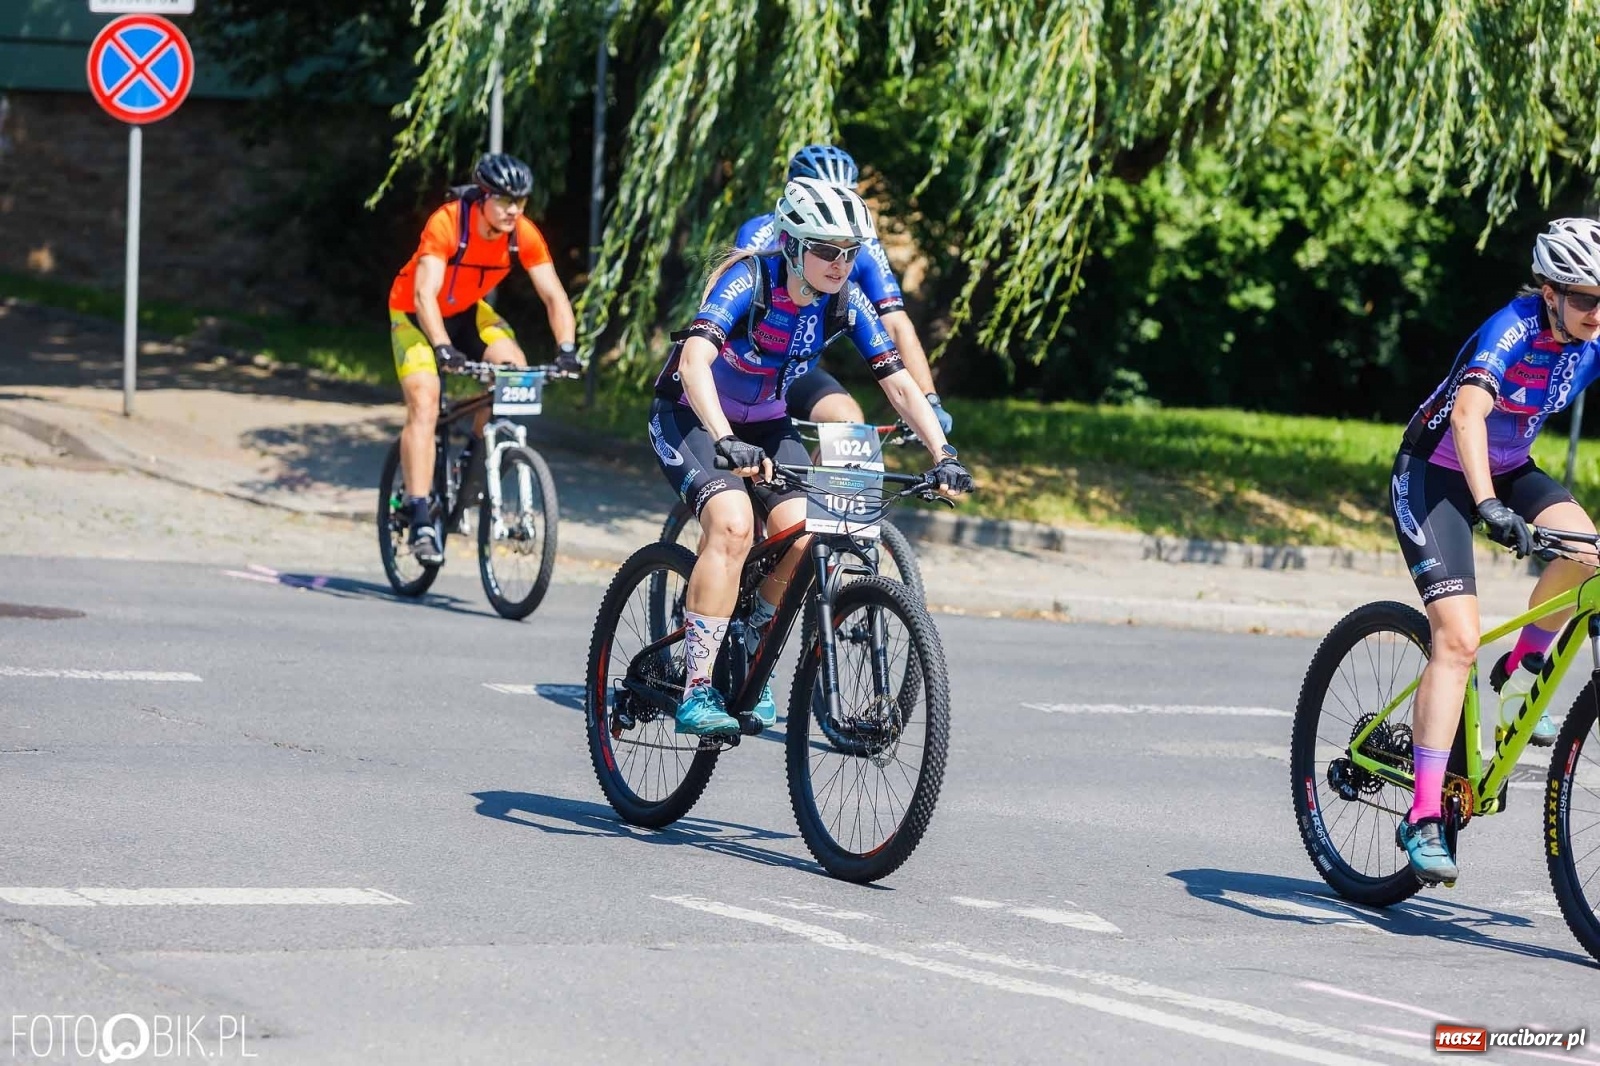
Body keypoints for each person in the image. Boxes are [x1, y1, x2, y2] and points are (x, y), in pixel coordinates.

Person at [650, 177, 973, 736]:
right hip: (693, 416)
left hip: (767, 422)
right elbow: (693, 362)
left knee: (804, 534)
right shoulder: (749, 278)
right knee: (732, 524)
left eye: (850, 252)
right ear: (793, 246)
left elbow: (898, 384)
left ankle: (751, 634)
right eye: (826, 250)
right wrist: (724, 437)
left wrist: (943, 453)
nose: (840, 264)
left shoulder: (845, 300)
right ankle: (697, 686)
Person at [1391, 218, 1600, 883]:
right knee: (1456, 640)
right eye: (1585, 297)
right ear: (1549, 292)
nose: (1597, 312)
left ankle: (1522, 666)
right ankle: (1424, 815)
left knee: (1589, 554)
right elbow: (1467, 415)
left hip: (1510, 467)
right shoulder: (1511, 329)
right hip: (1436, 473)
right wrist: (1486, 505)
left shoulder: (1593, 337)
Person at [386, 152, 582, 565]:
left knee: (514, 370)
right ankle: (419, 515)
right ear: (482, 197)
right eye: (505, 200)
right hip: (415, 314)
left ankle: (475, 457)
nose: (514, 210)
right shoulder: (447, 222)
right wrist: (442, 347)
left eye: (521, 201)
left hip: (467, 312)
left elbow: (553, 295)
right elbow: (424, 294)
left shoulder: (521, 233)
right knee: (424, 400)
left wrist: (567, 349)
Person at [734, 145, 952, 435]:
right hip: (741, 368)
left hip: (793, 370)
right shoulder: (761, 233)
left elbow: (896, 323)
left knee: (849, 423)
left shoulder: (864, 247)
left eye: (846, 196)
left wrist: (929, 399)